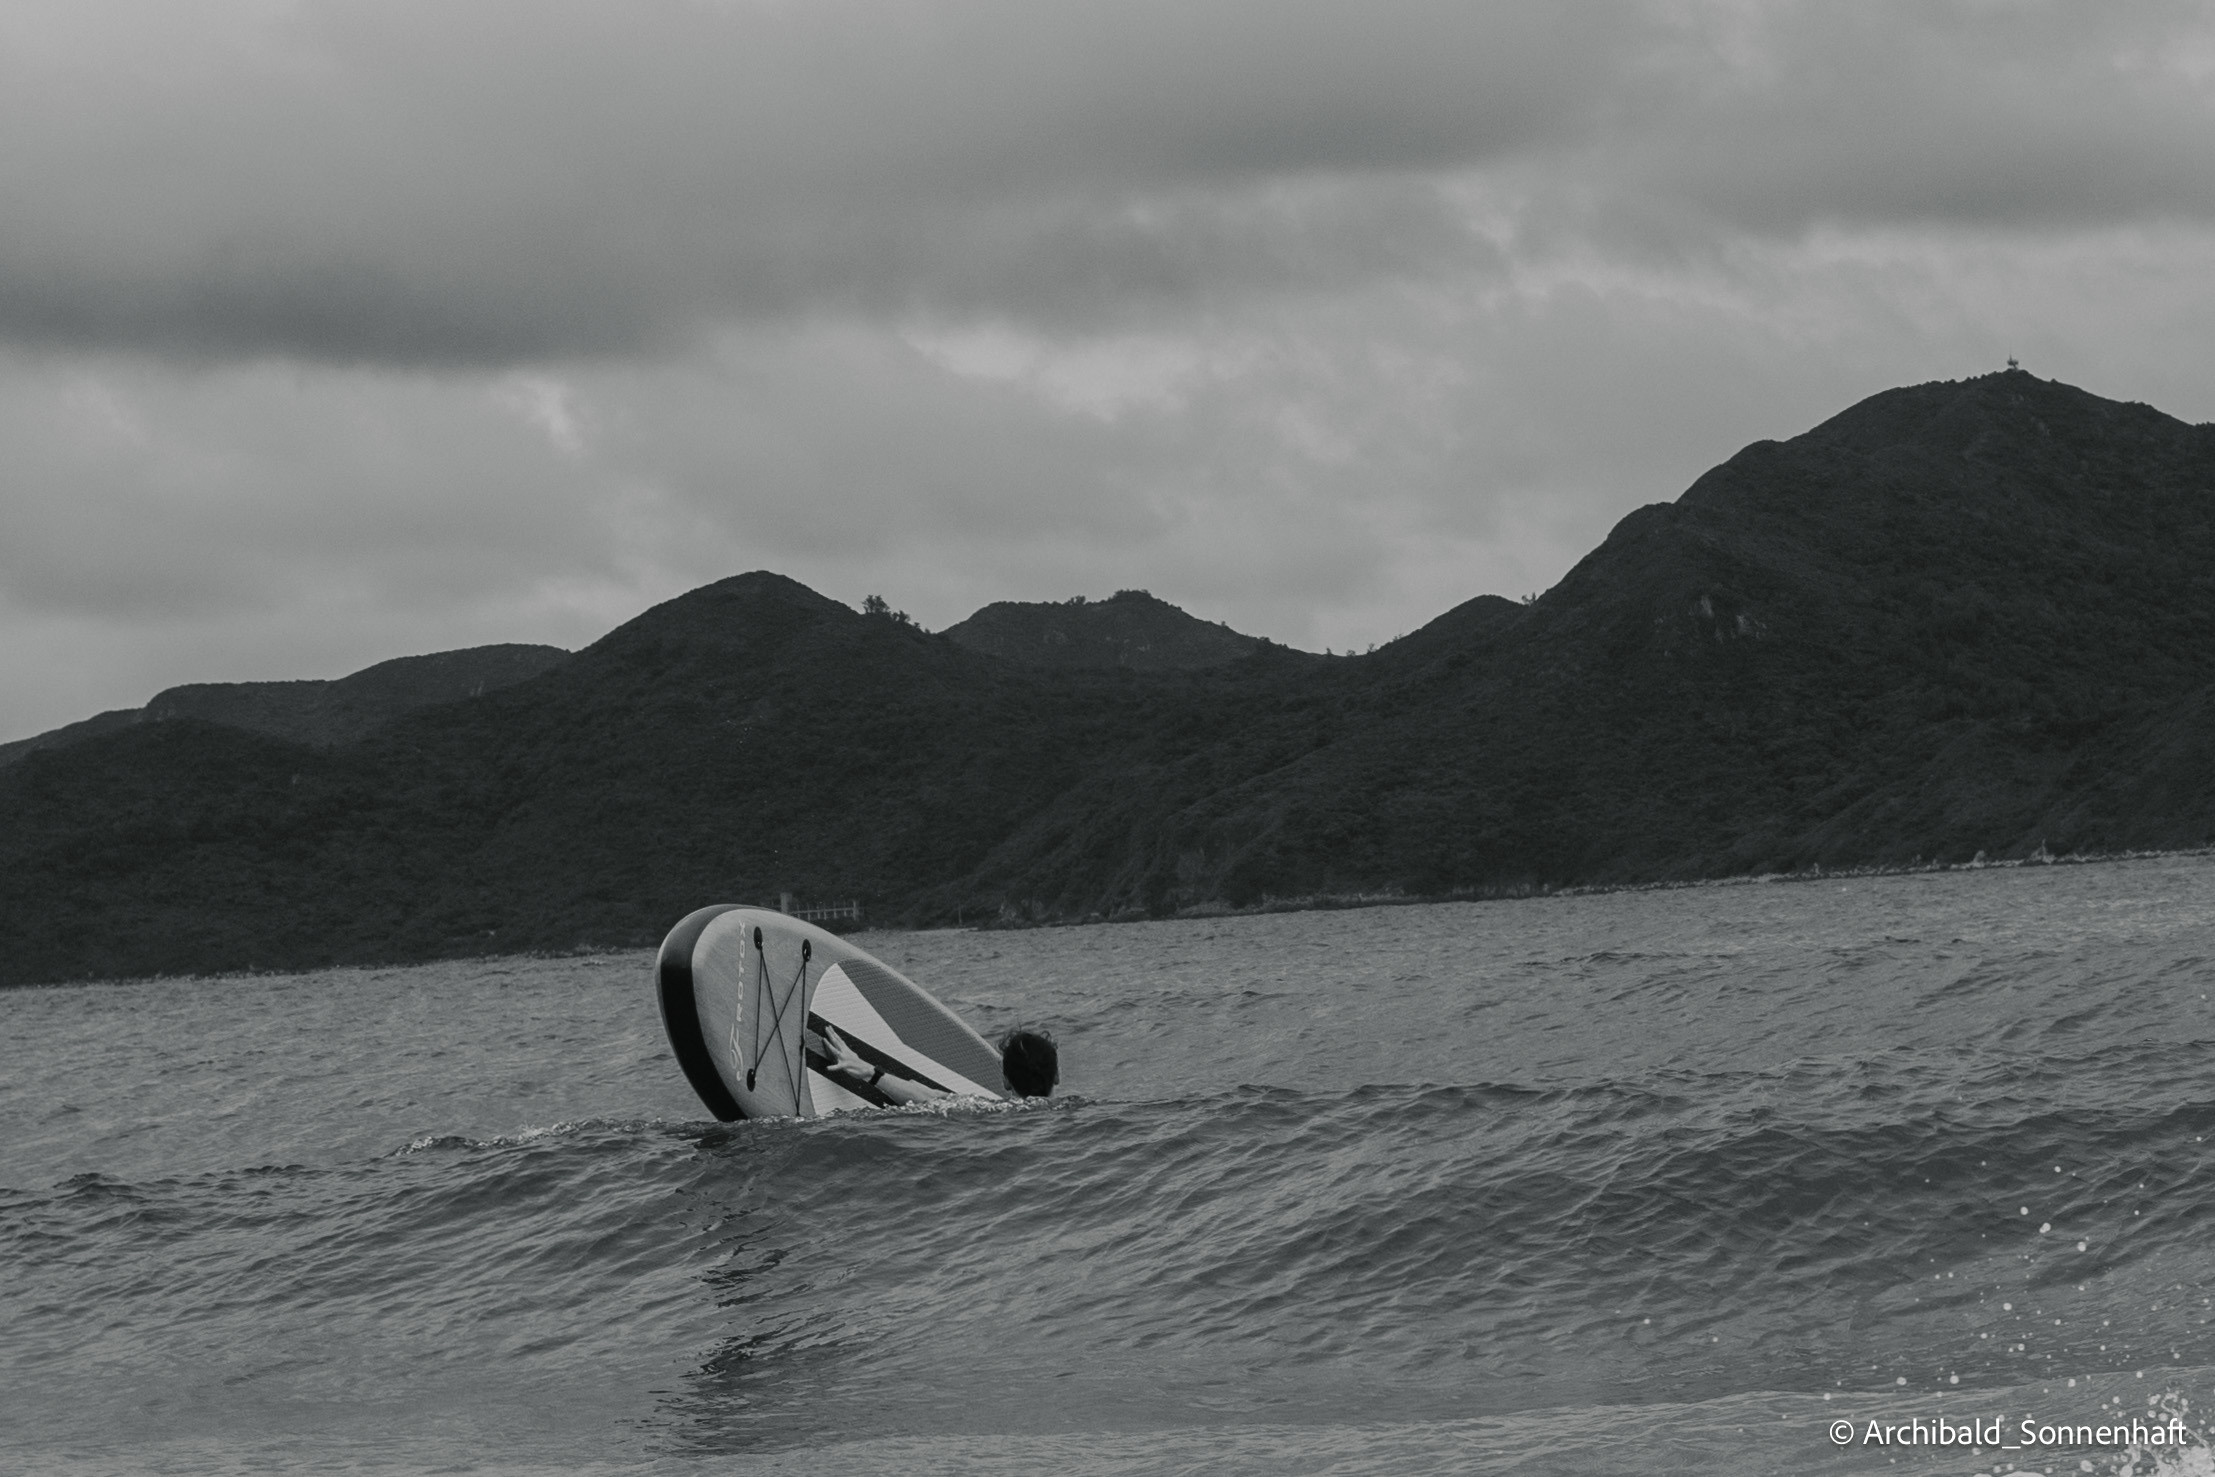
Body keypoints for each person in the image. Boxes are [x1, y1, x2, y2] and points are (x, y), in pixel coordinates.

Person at [809, 1022, 1058, 1105]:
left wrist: (867, 1071)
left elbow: (927, 1097)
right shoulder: (1070, 1115)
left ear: (1005, 1081)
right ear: (1056, 1075)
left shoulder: (995, 1113)